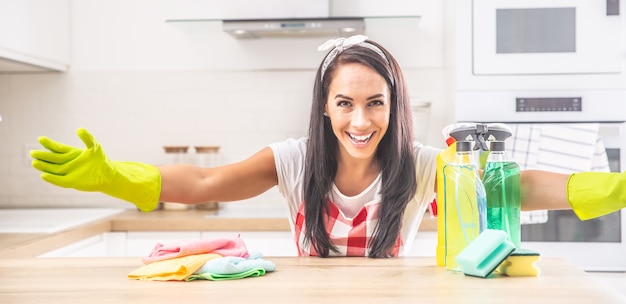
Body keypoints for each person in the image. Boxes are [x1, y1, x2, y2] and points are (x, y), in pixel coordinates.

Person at [30, 35, 626, 258]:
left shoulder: (421, 167)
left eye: (376, 103)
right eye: (345, 103)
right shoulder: (292, 161)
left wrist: (602, 187)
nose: (361, 120)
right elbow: (207, 185)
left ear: (395, 109)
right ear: (325, 107)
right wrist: (117, 177)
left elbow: (508, 185)